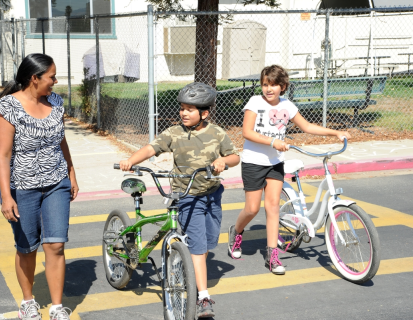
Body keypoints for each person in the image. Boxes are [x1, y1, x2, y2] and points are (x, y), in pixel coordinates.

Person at [119, 82, 240, 318]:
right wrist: (131, 160)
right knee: (196, 246)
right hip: (186, 196)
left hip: (212, 194)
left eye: (190, 109)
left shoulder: (216, 133)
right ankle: (203, 297)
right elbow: (152, 148)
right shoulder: (174, 133)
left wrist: (224, 162)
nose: (183, 112)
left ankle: (195, 274)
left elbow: (235, 156)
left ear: (204, 113)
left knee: (208, 243)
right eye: (182, 108)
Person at [228, 65, 351, 274]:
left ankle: (272, 255)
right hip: (253, 162)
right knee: (252, 208)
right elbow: (247, 132)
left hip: (275, 164)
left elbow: (307, 126)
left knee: (273, 207)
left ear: (283, 86)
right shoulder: (254, 103)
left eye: (274, 85)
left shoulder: (288, 105)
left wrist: (335, 132)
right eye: (265, 84)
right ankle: (236, 231)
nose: (269, 89)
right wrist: (273, 142)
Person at [0, 53, 79, 320]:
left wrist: (71, 173)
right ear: (34, 78)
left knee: (56, 245)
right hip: (22, 187)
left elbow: (61, 140)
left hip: (56, 183)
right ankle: (28, 302)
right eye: (51, 77)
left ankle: (57, 307)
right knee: (27, 248)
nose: (55, 82)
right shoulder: (8, 107)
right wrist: (6, 197)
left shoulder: (56, 102)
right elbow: (2, 156)